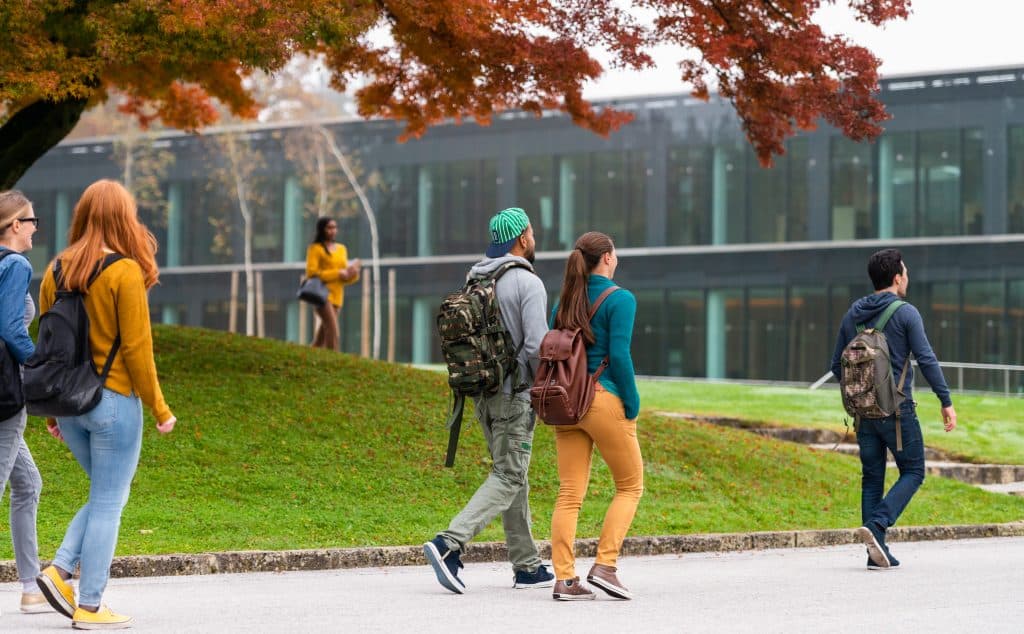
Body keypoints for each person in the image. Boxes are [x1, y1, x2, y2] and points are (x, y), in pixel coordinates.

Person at [34, 180, 177, 629]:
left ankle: (59, 573)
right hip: (113, 403)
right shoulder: (124, 271)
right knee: (110, 501)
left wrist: (56, 411)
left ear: (82, 214)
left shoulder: (55, 269)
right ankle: (89, 604)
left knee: (105, 495)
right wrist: (160, 408)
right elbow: (137, 349)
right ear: (123, 217)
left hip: (70, 405)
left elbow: (47, 346)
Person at [423, 207, 554, 593]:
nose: (534, 238)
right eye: (532, 232)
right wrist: (542, 392)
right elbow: (536, 346)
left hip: (482, 393)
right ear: (523, 239)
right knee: (509, 473)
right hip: (515, 394)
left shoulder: (475, 277)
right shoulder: (528, 284)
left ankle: (527, 566)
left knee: (511, 472)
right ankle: (449, 543)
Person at [830, 248, 957, 570]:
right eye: (906, 274)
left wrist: (863, 392)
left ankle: (876, 552)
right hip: (898, 411)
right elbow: (926, 359)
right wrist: (945, 400)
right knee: (913, 471)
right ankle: (878, 525)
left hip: (863, 414)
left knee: (872, 477)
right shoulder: (906, 312)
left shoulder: (853, 313)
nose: (907, 278)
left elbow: (836, 366)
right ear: (897, 278)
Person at [547, 231, 643, 601]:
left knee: (569, 492)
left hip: (566, 402)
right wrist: (631, 402)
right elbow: (619, 355)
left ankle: (565, 579)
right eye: (614, 252)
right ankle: (605, 565)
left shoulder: (564, 303)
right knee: (630, 485)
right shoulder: (621, 299)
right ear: (605, 258)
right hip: (602, 399)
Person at [0, 191, 50, 615]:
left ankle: (32, 588)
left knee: (28, 484)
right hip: (6, 396)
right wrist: (39, 371)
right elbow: (12, 328)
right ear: (15, 224)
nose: (36, 228)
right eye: (32, 221)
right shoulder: (15, 264)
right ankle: (31, 586)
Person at [305, 217, 360, 351]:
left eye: (334, 227)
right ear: (322, 229)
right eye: (329, 227)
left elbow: (344, 277)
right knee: (332, 329)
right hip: (321, 295)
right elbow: (312, 273)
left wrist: (352, 274)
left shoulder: (342, 249)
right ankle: (334, 357)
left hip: (337, 296)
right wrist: (338, 273)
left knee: (322, 335)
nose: (333, 230)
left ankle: (310, 353)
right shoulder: (315, 249)